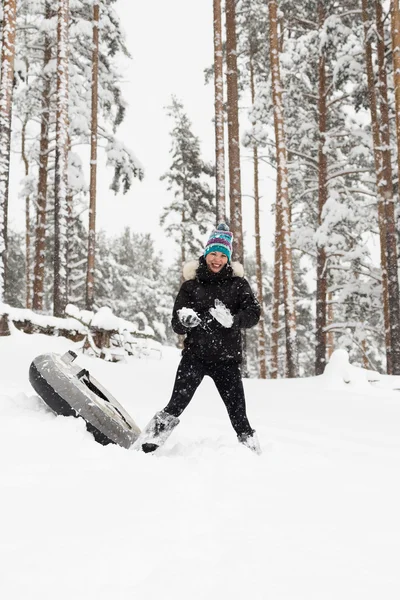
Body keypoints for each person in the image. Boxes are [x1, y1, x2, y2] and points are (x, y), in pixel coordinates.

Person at [136, 223, 262, 455]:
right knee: (175, 404)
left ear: (228, 258)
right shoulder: (191, 286)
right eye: (213, 253)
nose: (217, 259)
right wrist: (185, 320)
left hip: (227, 360)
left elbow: (254, 314)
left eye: (222, 255)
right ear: (205, 254)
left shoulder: (238, 284)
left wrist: (233, 320)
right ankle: (146, 446)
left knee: (238, 413)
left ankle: (253, 452)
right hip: (195, 358)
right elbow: (176, 323)